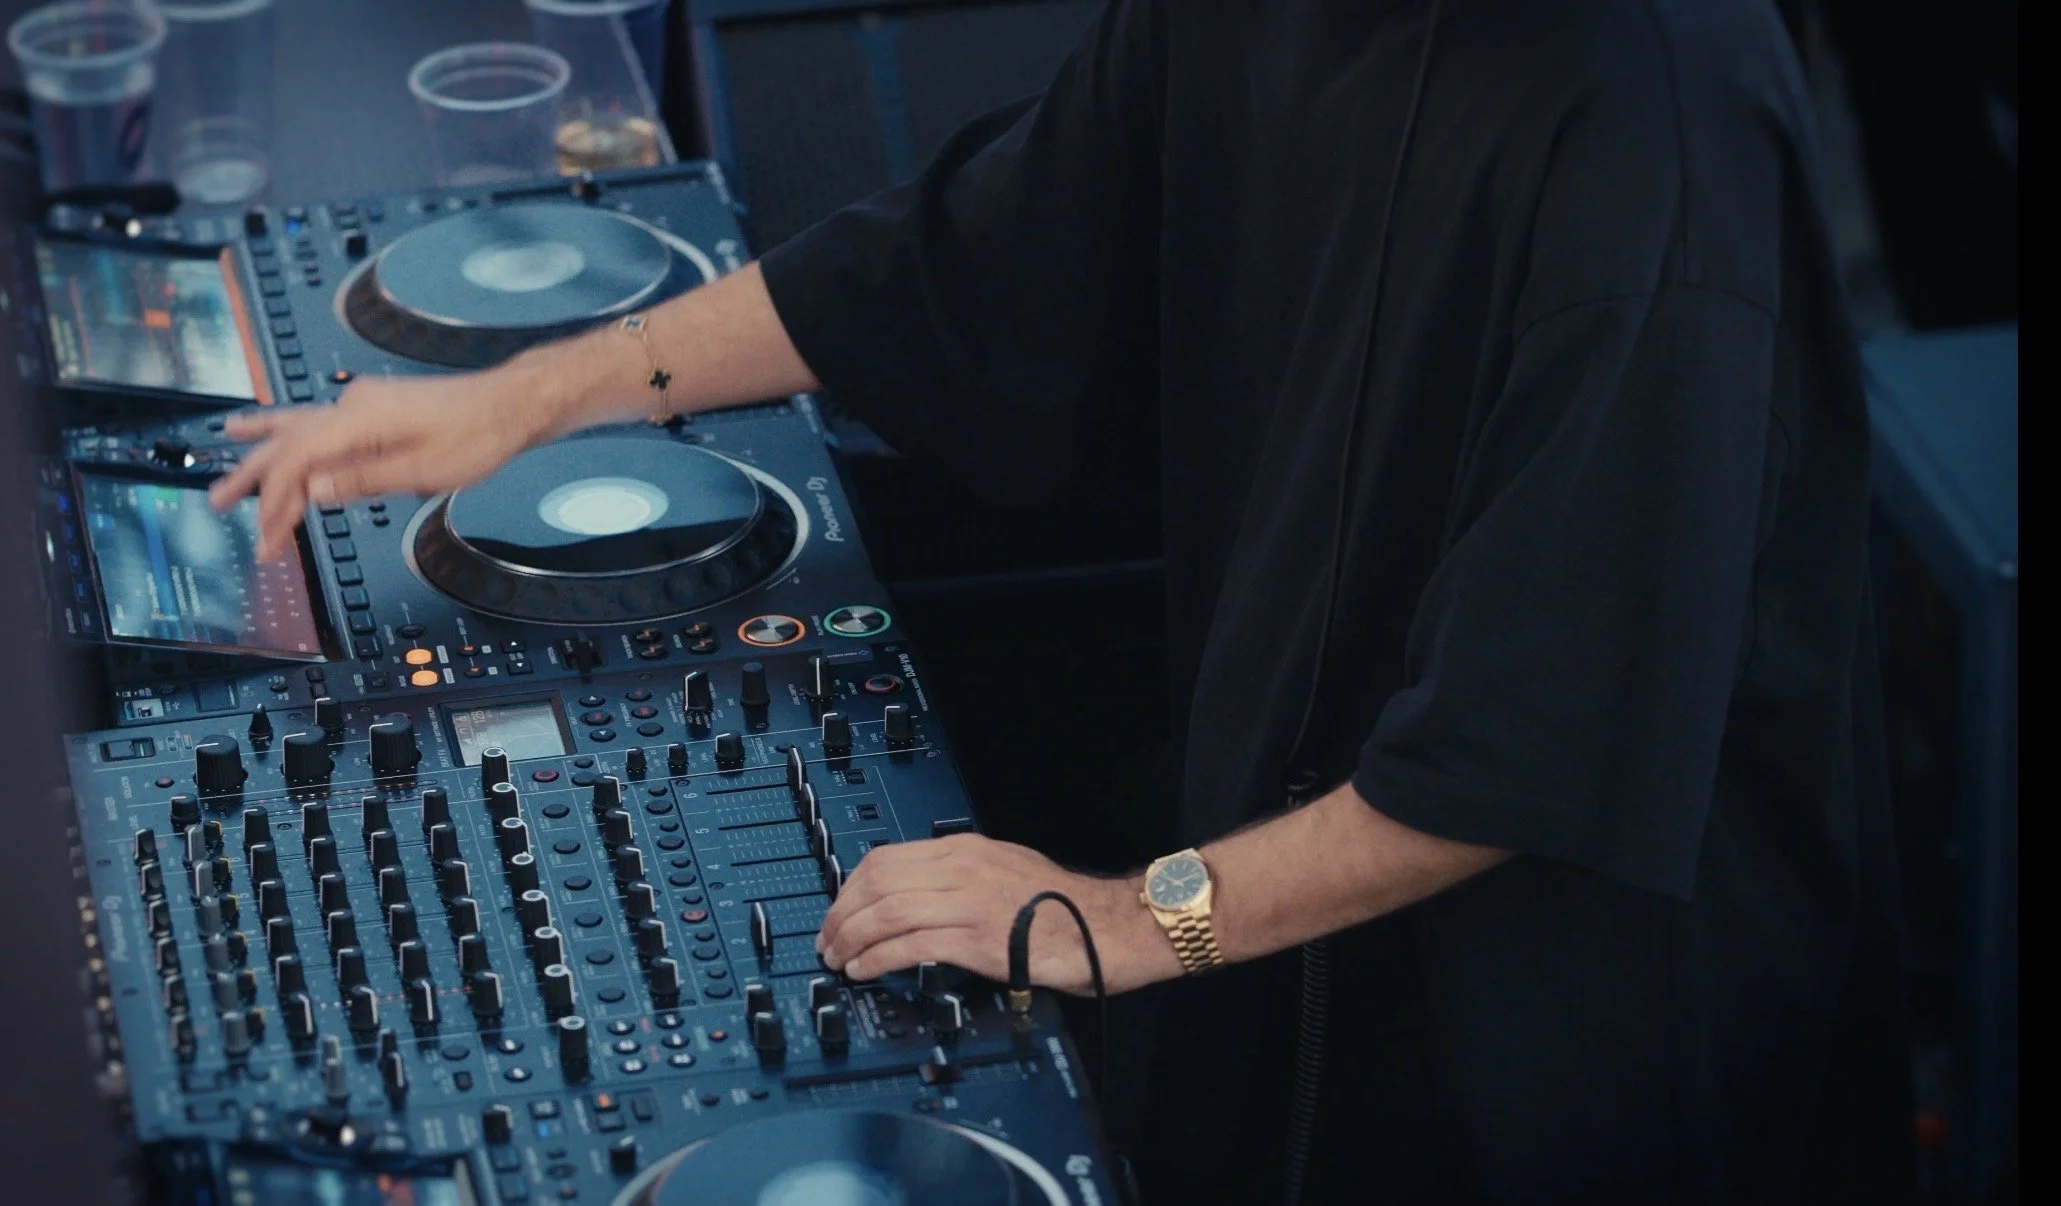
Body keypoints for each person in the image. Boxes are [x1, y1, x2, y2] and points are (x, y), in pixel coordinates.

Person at [211, 2, 1914, 1201]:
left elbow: (1534, 744)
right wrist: (536, 394)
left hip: (1574, 1036)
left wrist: (1129, 916)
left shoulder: (1658, 122)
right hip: (1276, 883)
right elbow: (969, 258)